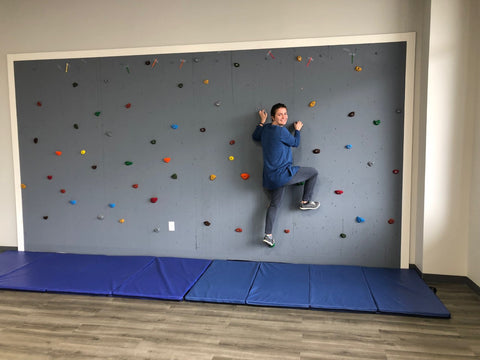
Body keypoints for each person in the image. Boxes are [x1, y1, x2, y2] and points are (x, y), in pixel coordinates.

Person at [252, 103, 320, 247]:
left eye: (285, 114)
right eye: (280, 114)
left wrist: (262, 121)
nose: (284, 117)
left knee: (274, 205)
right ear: (273, 117)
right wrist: (298, 130)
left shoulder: (266, 130)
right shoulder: (280, 131)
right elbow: (295, 143)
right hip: (283, 174)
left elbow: (255, 135)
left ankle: (268, 235)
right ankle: (305, 202)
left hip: (270, 177)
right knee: (313, 172)